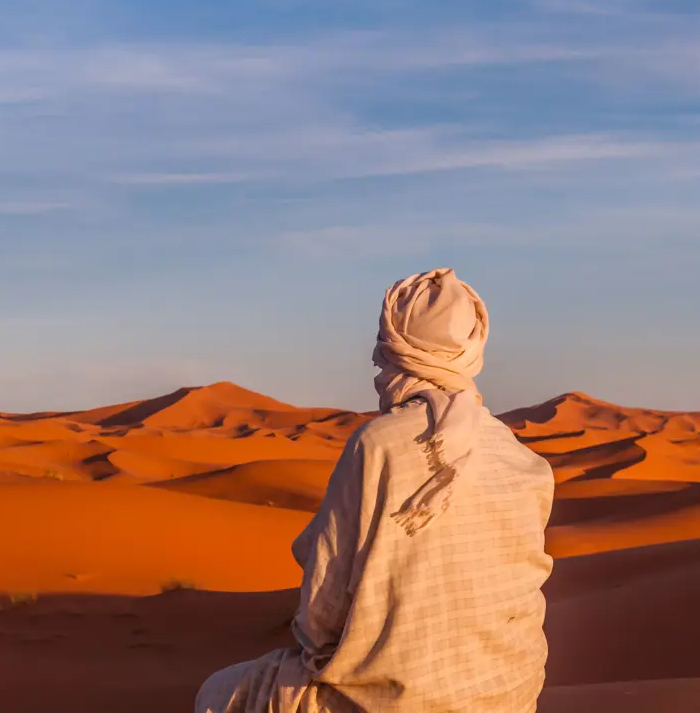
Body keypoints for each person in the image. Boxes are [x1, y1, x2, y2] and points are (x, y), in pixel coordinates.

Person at [195, 269, 555, 713]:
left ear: (396, 350)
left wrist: (326, 660)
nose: (376, 367)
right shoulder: (519, 457)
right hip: (510, 692)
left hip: (391, 699)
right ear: (471, 348)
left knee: (220, 693)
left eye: (382, 354)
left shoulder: (378, 444)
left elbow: (322, 607)